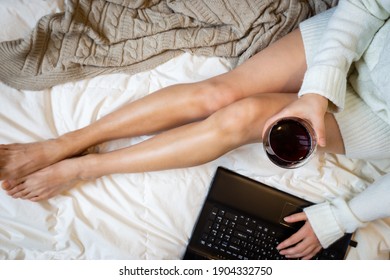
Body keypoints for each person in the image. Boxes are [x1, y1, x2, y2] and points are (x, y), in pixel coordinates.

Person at [0, 0, 389, 259]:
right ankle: (65, 144)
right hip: (367, 37)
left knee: (239, 118)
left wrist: (344, 217)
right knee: (217, 93)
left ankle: (82, 168)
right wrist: (319, 88)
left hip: (380, 119)